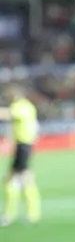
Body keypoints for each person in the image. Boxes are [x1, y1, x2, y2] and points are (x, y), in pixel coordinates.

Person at [0, 85, 41, 227]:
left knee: (13, 179)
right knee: (23, 178)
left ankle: (10, 215)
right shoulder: (27, 106)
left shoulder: (22, 107)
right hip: (23, 146)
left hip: (24, 146)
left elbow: (7, 114)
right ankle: (31, 214)